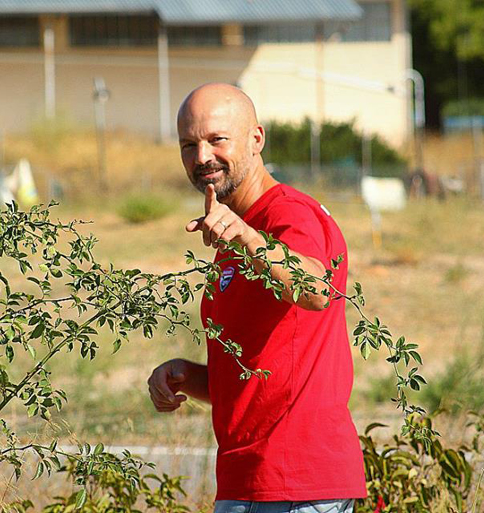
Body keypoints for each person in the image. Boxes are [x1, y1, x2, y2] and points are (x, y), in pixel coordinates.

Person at [147, 83, 366, 513]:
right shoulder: (236, 230)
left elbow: (317, 290)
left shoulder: (287, 215)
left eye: (217, 139)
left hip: (298, 487)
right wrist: (184, 376)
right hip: (244, 482)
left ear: (256, 139)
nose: (202, 156)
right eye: (189, 145)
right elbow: (259, 374)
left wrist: (248, 236)